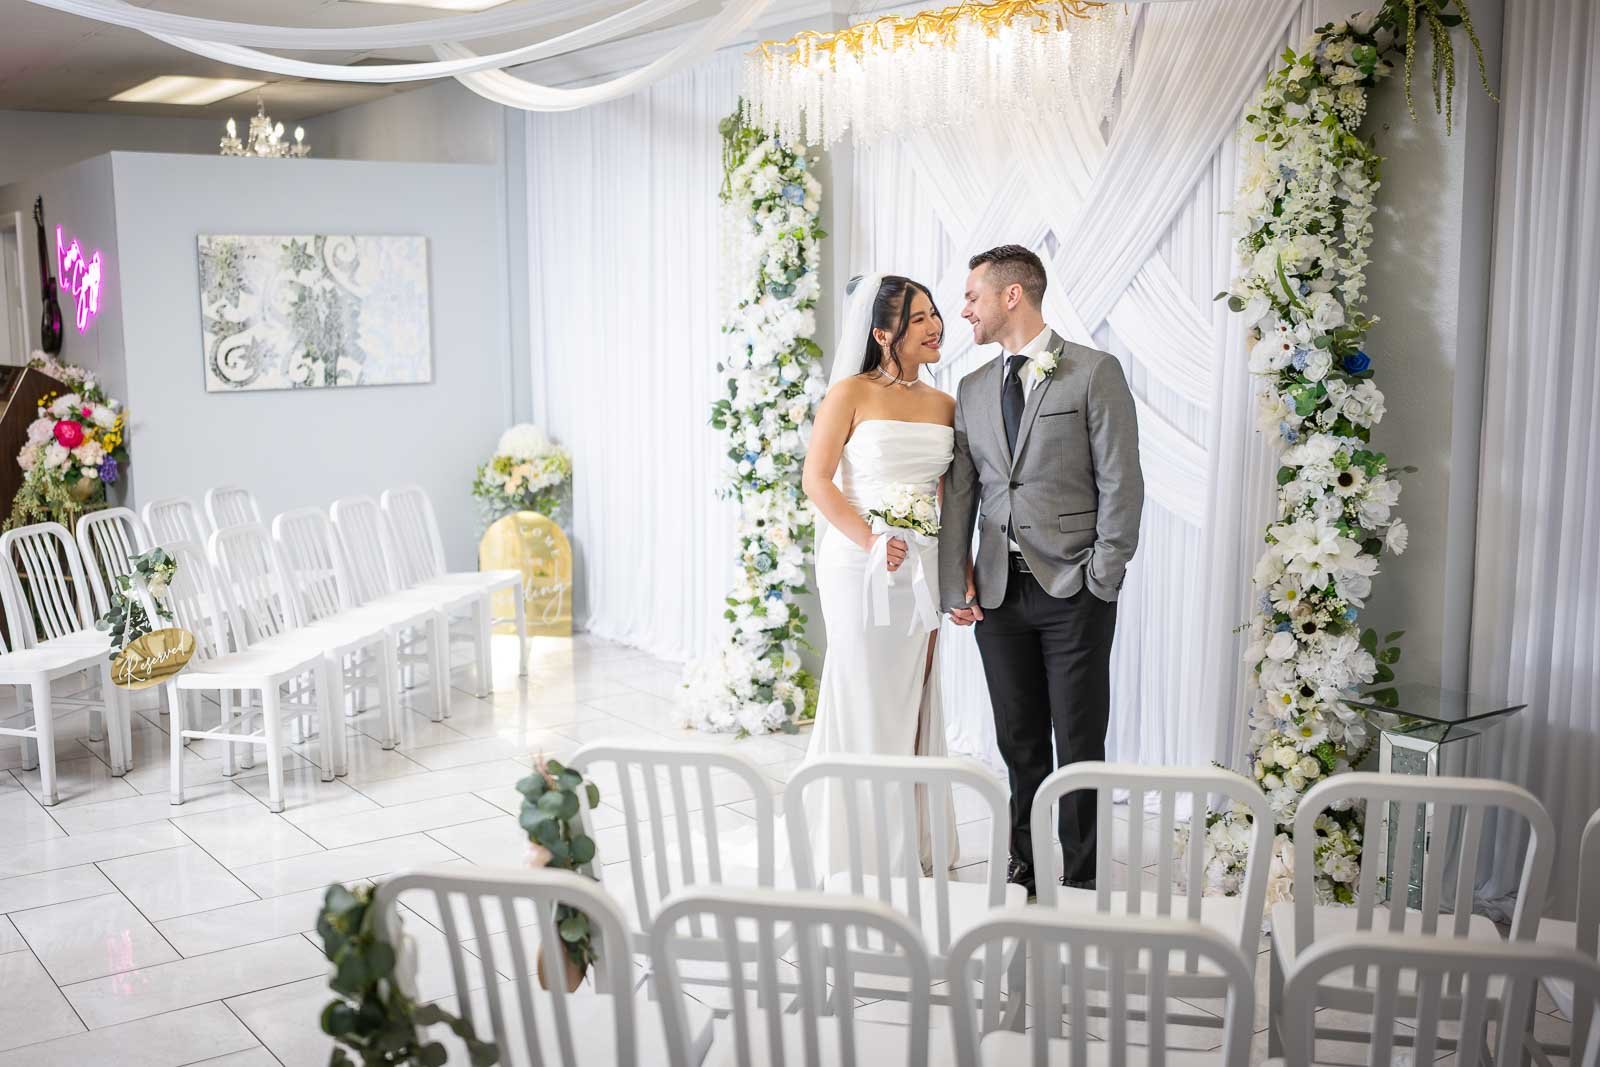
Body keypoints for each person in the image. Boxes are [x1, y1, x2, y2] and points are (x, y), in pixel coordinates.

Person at [938, 245, 1143, 896]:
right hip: (998, 595)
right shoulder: (970, 389)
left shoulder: (1093, 371)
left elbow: (1122, 482)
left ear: (1011, 296)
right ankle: (1025, 865)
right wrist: (955, 581)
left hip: (1073, 590)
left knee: (1079, 740)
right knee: (1017, 738)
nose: (963, 309)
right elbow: (962, 491)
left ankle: (1080, 876)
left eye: (972, 296)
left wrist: (1101, 578)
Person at [800, 273, 960, 877]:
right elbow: (817, 480)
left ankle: (906, 841)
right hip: (856, 560)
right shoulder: (849, 394)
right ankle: (852, 847)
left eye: (934, 314)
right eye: (918, 318)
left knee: (913, 694)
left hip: (919, 562)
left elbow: (949, 498)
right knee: (863, 692)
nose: (934, 326)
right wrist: (871, 541)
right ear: (882, 333)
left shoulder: (946, 404)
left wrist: (954, 572)